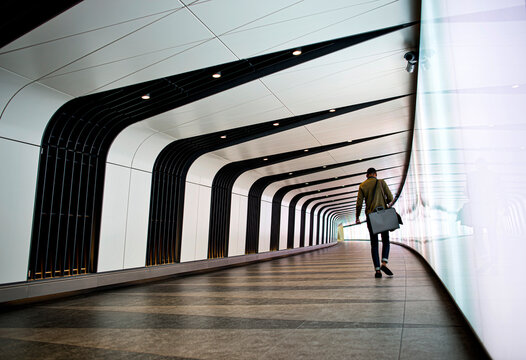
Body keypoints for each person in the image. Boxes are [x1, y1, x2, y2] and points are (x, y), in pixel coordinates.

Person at [355, 168, 394, 278]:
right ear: (375, 174)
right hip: (383, 215)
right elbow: (390, 198)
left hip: (371, 217)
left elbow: (359, 203)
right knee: (386, 240)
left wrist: (357, 217)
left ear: (366, 175)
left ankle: (377, 270)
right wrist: (383, 202)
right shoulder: (381, 182)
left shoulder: (362, 186)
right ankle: (384, 263)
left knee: (374, 244)